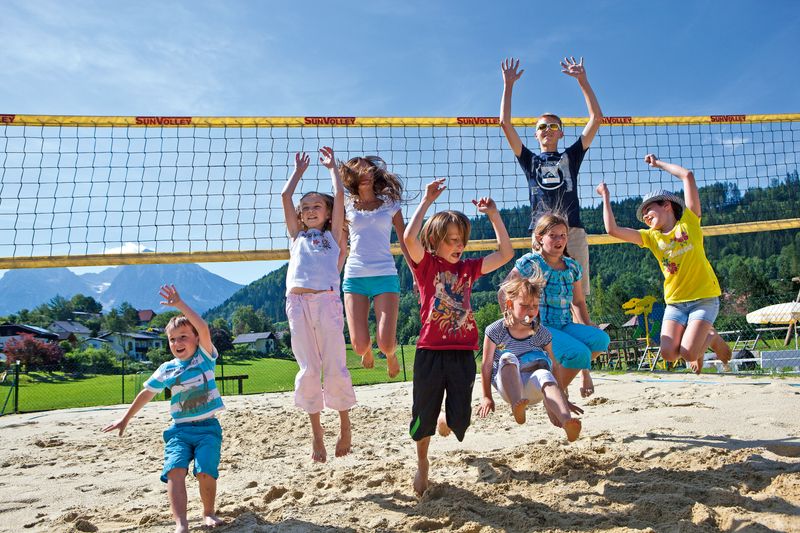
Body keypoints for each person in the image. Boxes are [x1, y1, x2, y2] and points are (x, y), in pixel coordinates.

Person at [403, 177, 514, 496]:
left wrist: (493, 215)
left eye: (461, 239)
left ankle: (446, 422)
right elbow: (410, 237)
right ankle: (422, 462)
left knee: (458, 421)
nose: (458, 245)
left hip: (463, 352)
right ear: (435, 242)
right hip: (429, 352)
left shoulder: (468, 268)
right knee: (422, 419)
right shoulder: (425, 266)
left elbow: (505, 253)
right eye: (451, 240)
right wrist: (425, 201)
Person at [102, 284, 225, 533]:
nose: (177, 342)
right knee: (175, 471)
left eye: (183, 337)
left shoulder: (204, 357)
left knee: (205, 472)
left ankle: (208, 513)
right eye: (172, 339)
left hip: (208, 429)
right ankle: (181, 523)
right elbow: (147, 393)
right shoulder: (167, 369)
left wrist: (179, 303)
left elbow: (202, 326)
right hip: (179, 431)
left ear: (197, 340)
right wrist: (125, 419)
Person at [596, 154, 733, 373]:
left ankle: (710, 338)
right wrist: (605, 197)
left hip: (704, 299)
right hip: (676, 303)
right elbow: (612, 230)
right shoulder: (651, 237)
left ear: (666, 205)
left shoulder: (689, 222)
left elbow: (687, 176)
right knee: (669, 354)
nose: (646, 218)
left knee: (688, 354)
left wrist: (657, 163)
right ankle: (705, 337)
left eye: (648, 211)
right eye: (644, 217)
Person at [499, 56, 602, 296]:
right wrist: (508, 85)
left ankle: (582, 331)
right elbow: (505, 123)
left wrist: (583, 81)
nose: (548, 130)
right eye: (542, 127)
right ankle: (541, 335)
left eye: (553, 126)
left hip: (572, 230)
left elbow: (596, 119)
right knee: (538, 294)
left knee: (578, 297)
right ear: (536, 135)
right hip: (541, 232)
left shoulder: (570, 157)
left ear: (561, 133)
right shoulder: (530, 160)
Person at [281, 148, 357, 462]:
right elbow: (285, 196)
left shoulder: (334, 239)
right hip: (297, 303)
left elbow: (339, 197)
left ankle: (345, 425)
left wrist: (332, 170)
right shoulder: (296, 235)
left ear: (327, 214)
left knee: (334, 366)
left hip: (326, 301)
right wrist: (298, 172)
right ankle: (316, 433)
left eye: (317, 206)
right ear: (300, 216)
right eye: (306, 207)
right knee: (309, 369)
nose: (311, 209)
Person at [501, 212, 610, 396]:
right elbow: (504, 291)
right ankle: (556, 396)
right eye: (552, 235)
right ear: (539, 238)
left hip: (564, 324)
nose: (559, 240)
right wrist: (513, 321)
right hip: (539, 326)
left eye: (563, 235)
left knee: (601, 339)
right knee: (579, 352)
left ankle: (556, 382)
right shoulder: (531, 262)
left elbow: (578, 301)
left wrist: (586, 372)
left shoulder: (572, 266)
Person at [478, 275, 582, 442]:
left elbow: (555, 365)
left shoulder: (541, 333)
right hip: (510, 388)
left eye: (534, 306)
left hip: (532, 388)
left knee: (544, 374)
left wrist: (564, 397)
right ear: (510, 305)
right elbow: (486, 365)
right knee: (507, 358)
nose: (530, 310)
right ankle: (517, 406)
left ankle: (565, 420)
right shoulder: (495, 330)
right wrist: (487, 396)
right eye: (524, 306)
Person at [339, 156, 412, 378]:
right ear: (350, 178)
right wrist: (332, 277)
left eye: (368, 171)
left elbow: (404, 241)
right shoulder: (345, 205)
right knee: (360, 346)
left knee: (387, 344)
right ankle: (367, 351)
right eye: (358, 172)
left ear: (373, 174)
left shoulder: (390, 204)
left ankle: (390, 356)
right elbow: (342, 246)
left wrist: (415, 274)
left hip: (385, 275)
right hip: (355, 277)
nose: (364, 175)